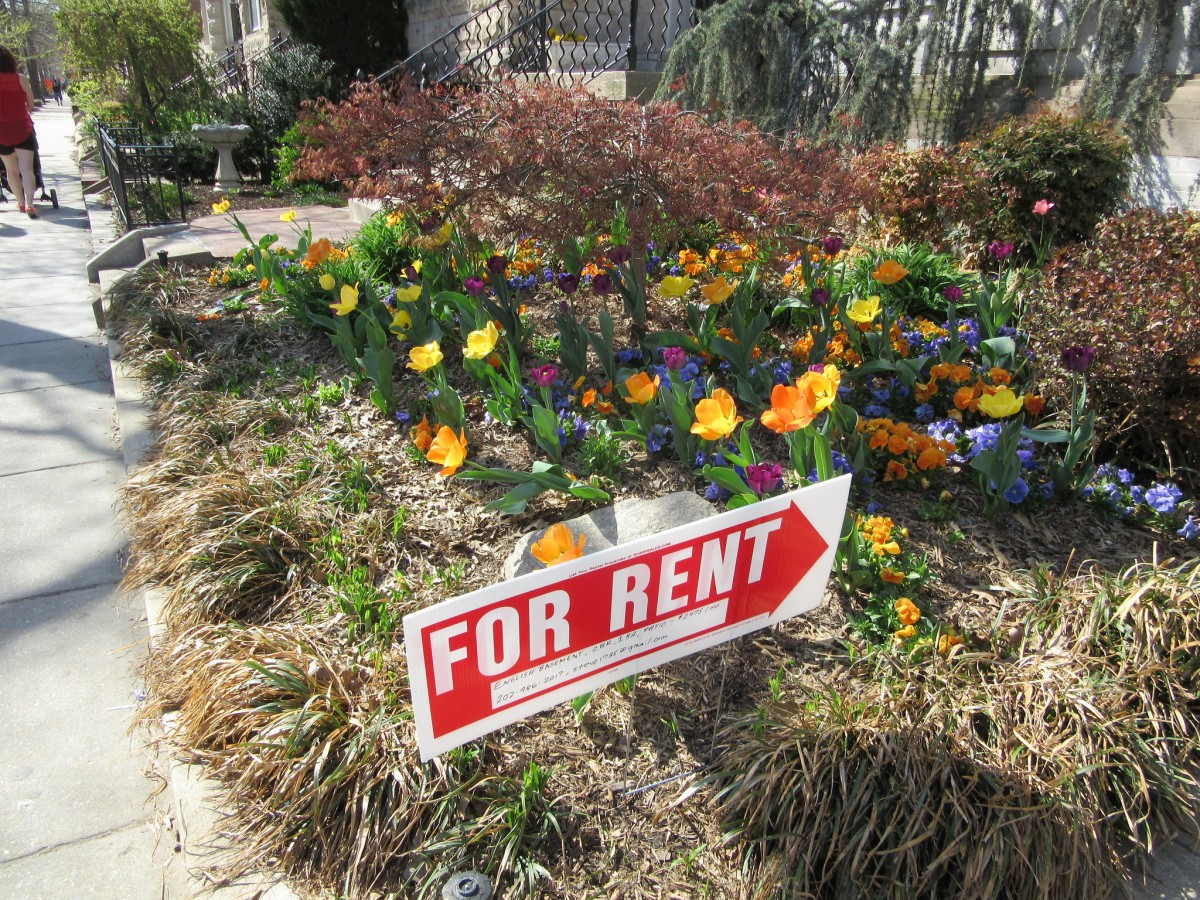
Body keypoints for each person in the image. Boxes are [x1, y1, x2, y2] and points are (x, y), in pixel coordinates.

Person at [0, 45, 38, 217]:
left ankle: (20, 203)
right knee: (26, 169)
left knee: (11, 170)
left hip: (1, 130)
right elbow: (31, 105)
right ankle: (30, 203)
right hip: (22, 128)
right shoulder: (21, 79)